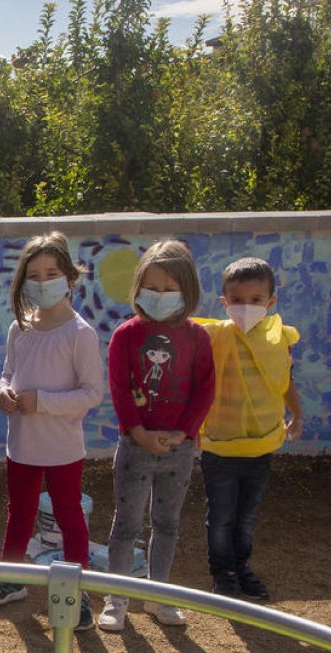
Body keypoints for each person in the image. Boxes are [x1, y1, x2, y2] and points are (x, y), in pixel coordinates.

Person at [0, 232, 102, 632]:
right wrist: (2, 392)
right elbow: (8, 374)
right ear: (23, 281)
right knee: (20, 514)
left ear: (69, 277)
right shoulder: (20, 329)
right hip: (22, 447)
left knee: (69, 517)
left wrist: (41, 401)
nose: (43, 282)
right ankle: (11, 578)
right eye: (34, 274)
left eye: (51, 273)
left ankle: (77, 594)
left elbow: (91, 393)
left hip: (63, 449)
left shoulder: (80, 334)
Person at [98, 240, 215, 631]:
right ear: (138, 287)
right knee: (127, 523)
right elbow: (118, 387)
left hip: (179, 451)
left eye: (169, 289)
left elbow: (205, 389)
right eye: (152, 287)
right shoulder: (125, 335)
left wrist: (184, 432)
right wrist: (138, 431)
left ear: (187, 291)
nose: (160, 296)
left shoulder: (198, 337)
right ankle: (117, 598)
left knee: (167, 523)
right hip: (135, 446)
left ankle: (159, 595)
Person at [196, 257, 302, 600]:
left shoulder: (277, 339)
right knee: (222, 516)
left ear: (271, 302)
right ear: (224, 303)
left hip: (260, 447)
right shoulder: (212, 335)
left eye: (256, 300)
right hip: (219, 447)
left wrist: (296, 414)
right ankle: (221, 573)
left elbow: (284, 381)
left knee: (246, 518)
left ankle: (241, 567)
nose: (246, 307)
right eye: (237, 301)